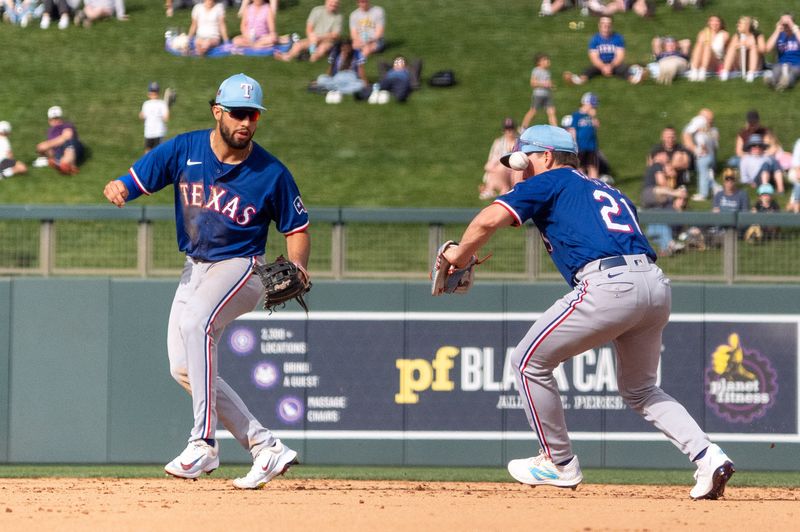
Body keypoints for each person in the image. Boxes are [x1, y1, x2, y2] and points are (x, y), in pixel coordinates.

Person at [439, 124, 734, 500]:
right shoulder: (607, 189)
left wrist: (457, 257)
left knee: (527, 361)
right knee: (641, 388)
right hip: (654, 285)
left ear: (546, 156)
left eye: (524, 161)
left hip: (609, 283)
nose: (519, 171)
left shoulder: (552, 179)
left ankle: (558, 462)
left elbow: (486, 220)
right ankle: (709, 456)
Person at [102, 73, 310, 490]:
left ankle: (203, 442)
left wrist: (299, 266)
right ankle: (265, 446)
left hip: (242, 266)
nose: (245, 122)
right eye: (237, 113)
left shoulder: (271, 172)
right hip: (195, 267)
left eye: (252, 115)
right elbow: (143, 174)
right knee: (183, 366)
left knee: (197, 326)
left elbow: (297, 227)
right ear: (218, 111)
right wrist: (122, 186)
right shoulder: (186, 148)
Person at [563, 16, 646, 86]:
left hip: (615, 64)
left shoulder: (618, 38)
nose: (606, 27)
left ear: (612, 26)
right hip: (600, 64)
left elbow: (620, 56)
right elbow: (594, 57)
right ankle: (577, 80)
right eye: (603, 24)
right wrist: (603, 67)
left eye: (608, 24)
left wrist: (611, 66)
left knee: (624, 70)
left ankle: (636, 80)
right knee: (588, 71)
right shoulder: (594, 39)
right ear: (599, 26)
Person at [274, 0, 342, 62]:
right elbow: (309, 28)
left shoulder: (338, 16)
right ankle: (287, 56)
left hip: (327, 41)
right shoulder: (317, 10)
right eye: (331, 2)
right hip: (314, 38)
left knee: (321, 50)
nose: (333, 4)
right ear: (326, 1)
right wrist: (312, 38)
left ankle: (309, 56)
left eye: (336, 3)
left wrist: (319, 38)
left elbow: (335, 35)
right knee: (298, 45)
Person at [682, 108, 719, 201]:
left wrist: (697, 150)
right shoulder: (709, 129)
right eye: (709, 119)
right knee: (706, 174)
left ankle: (703, 194)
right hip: (708, 156)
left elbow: (688, 135)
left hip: (703, 156)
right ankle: (716, 188)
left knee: (703, 175)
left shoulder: (701, 125)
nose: (710, 121)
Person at [35, 105, 83, 175]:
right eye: (53, 119)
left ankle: (69, 165)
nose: (55, 121)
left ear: (61, 118)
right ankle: (62, 164)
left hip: (73, 147)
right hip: (60, 152)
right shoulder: (50, 132)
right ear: (49, 121)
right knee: (52, 152)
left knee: (69, 143)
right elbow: (51, 149)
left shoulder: (66, 125)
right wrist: (45, 151)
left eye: (57, 118)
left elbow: (67, 136)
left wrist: (47, 145)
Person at [479, 118, 518, 200]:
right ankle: (494, 189)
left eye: (511, 129)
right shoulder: (499, 142)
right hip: (500, 172)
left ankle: (490, 189)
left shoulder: (519, 142)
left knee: (501, 168)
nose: (509, 132)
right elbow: (489, 163)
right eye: (506, 129)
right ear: (503, 130)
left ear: (515, 129)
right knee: (495, 167)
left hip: (515, 170)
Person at [719, 16, 765, 82]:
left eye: (740, 23)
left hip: (757, 65)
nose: (737, 24)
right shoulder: (737, 35)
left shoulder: (757, 35)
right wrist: (740, 44)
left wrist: (753, 45)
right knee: (732, 47)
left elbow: (763, 49)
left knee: (753, 47)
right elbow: (729, 49)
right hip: (741, 64)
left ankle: (751, 73)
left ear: (747, 25)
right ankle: (725, 72)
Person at [567, 92, 600, 179]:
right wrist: (574, 144)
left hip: (592, 146)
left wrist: (593, 118)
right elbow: (572, 129)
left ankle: (594, 185)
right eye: (591, 105)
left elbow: (596, 127)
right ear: (585, 103)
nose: (593, 107)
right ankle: (584, 185)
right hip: (581, 145)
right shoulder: (577, 115)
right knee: (580, 167)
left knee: (593, 167)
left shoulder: (590, 116)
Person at [764, 13, 800, 91]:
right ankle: (772, 82)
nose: (785, 26)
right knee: (776, 70)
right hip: (781, 63)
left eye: (787, 24)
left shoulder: (798, 33)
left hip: (797, 64)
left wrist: (792, 25)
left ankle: (786, 82)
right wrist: (777, 30)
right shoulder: (779, 34)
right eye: (783, 23)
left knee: (792, 73)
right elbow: (767, 49)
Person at [688, 15, 730, 82]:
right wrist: (706, 34)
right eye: (712, 21)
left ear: (721, 23)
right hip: (702, 59)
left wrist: (708, 37)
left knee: (707, 46)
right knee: (699, 45)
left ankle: (702, 72)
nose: (714, 23)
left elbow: (719, 49)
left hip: (716, 61)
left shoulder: (724, 34)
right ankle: (694, 70)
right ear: (709, 23)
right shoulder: (703, 33)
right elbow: (699, 48)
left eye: (717, 21)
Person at [521, 53, 557, 128]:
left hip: (547, 95)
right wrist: (544, 84)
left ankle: (555, 129)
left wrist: (551, 86)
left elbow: (548, 83)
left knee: (552, 111)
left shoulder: (547, 71)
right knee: (533, 111)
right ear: (539, 62)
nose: (547, 61)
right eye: (544, 60)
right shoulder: (536, 70)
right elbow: (532, 83)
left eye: (547, 59)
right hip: (538, 95)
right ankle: (523, 127)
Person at [140, 82, 170, 153]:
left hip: (154, 132)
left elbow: (142, 116)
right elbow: (166, 118)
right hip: (155, 132)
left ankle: (148, 164)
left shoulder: (146, 104)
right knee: (155, 152)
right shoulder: (162, 104)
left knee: (149, 152)